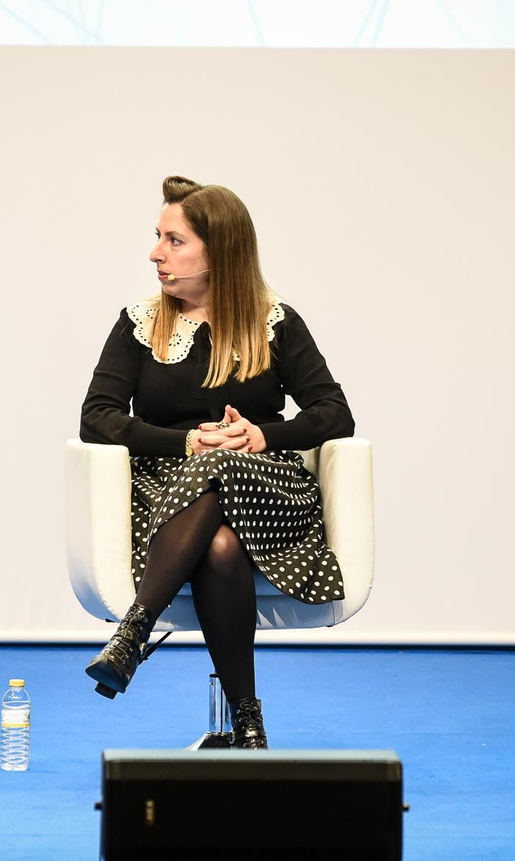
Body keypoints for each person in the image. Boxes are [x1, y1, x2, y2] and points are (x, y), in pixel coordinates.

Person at [79, 175, 355, 749]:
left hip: (265, 489)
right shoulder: (138, 323)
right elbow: (96, 417)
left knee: (223, 467)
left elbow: (334, 413)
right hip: (168, 496)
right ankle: (249, 723)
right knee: (221, 546)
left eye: (174, 240)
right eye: (158, 237)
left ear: (220, 251)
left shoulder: (275, 321)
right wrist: (183, 444)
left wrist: (260, 435)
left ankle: (134, 631)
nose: (155, 253)